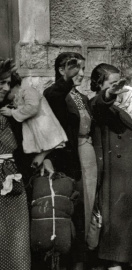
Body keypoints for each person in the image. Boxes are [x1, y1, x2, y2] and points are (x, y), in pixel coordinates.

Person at [89, 63, 132, 269]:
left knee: (131, 218)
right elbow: (99, 104)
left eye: (120, 83)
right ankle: (116, 261)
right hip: (118, 171)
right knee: (117, 218)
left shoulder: (126, 102)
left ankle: (128, 258)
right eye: (112, 84)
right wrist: (108, 95)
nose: (118, 88)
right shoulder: (100, 104)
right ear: (100, 85)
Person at [43, 52, 92, 270]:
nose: (81, 73)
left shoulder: (81, 98)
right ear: (62, 71)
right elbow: (55, 95)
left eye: (82, 68)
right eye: (75, 68)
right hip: (60, 164)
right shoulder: (53, 94)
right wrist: (65, 81)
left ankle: (79, 264)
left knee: (81, 215)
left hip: (81, 162)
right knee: (62, 216)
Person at [0, 58, 31, 270]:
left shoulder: (8, 112)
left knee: (16, 238)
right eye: (1, 83)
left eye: (7, 83)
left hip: (12, 182)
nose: (5, 88)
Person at [0, 71, 68, 167]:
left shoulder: (28, 90)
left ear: (13, 86)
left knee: (50, 142)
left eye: (8, 92)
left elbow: (32, 107)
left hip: (43, 124)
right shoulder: (19, 96)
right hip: (36, 126)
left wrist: (12, 112)